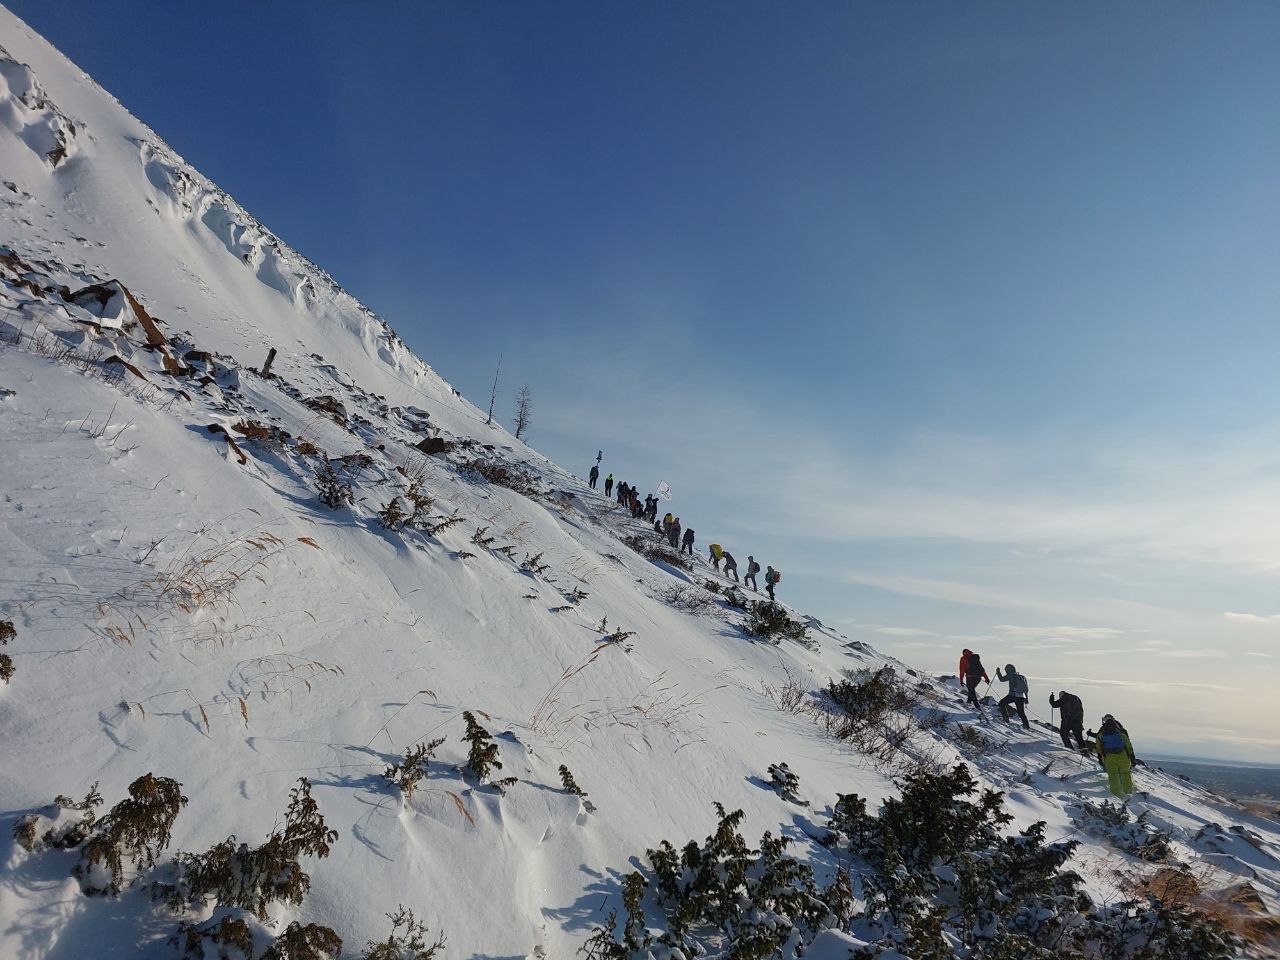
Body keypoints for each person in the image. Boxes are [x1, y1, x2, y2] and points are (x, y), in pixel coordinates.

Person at [1091, 714, 1136, 798]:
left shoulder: (1102, 732)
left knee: (1113, 775)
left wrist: (1100, 759)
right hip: (1123, 756)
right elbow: (1128, 744)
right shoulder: (1121, 731)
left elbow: (1098, 747)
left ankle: (1116, 795)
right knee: (1125, 774)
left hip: (1109, 757)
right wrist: (1132, 757)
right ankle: (1128, 793)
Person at [995, 663, 1030, 729]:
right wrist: (1026, 698)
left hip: (1013, 695)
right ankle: (1026, 726)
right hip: (1021, 696)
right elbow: (1026, 689)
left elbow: (1001, 679)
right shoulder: (1022, 677)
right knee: (1021, 712)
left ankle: (1006, 719)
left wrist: (998, 672)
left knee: (1001, 703)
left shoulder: (1010, 675)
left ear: (1007, 670)